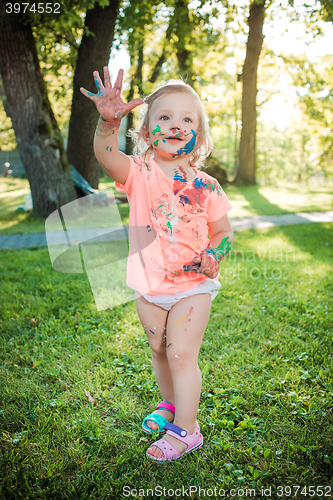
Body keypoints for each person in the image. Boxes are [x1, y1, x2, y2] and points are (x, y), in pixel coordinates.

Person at [80, 67, 233, 462]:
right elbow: (106, 156)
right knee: (159, 349)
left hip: (192, 287)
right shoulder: (139, 173)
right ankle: (169, 404)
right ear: (148, 132)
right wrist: (107, 122)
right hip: (148, 285)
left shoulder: (207, 186)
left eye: (187, 118)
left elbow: (223, 232)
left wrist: (214, 256)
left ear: (199, 133)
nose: (176, 125)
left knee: (181, 353)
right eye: (164, 117)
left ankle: (187, 430)